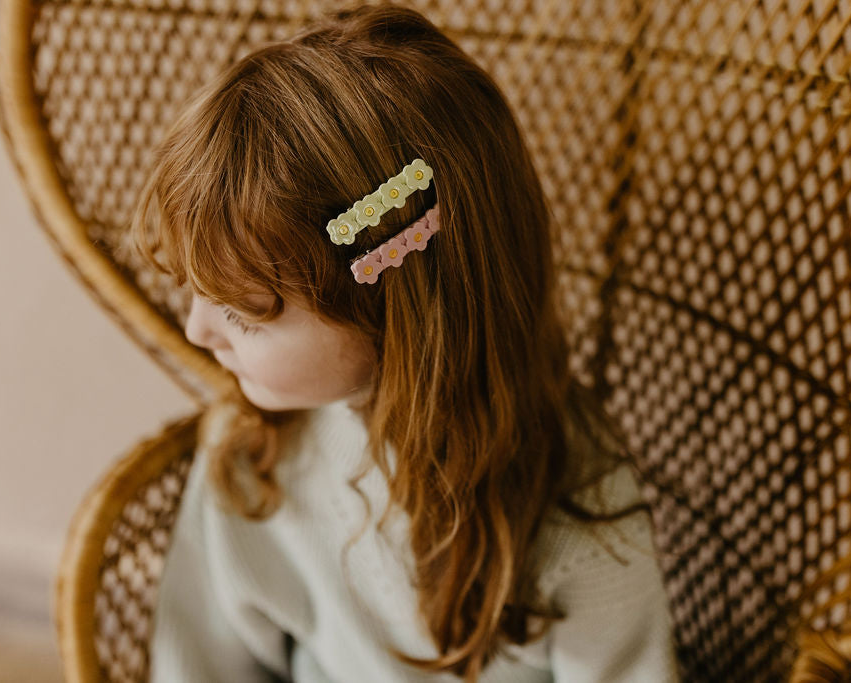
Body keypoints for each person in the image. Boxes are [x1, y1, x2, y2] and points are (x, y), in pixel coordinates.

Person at [128, 3, 680, 681]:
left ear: (395, 309)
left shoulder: (576, 513)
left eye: (246, 314)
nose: (197, 330)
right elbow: (200, 664)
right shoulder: (255, 451)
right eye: (198, 291)